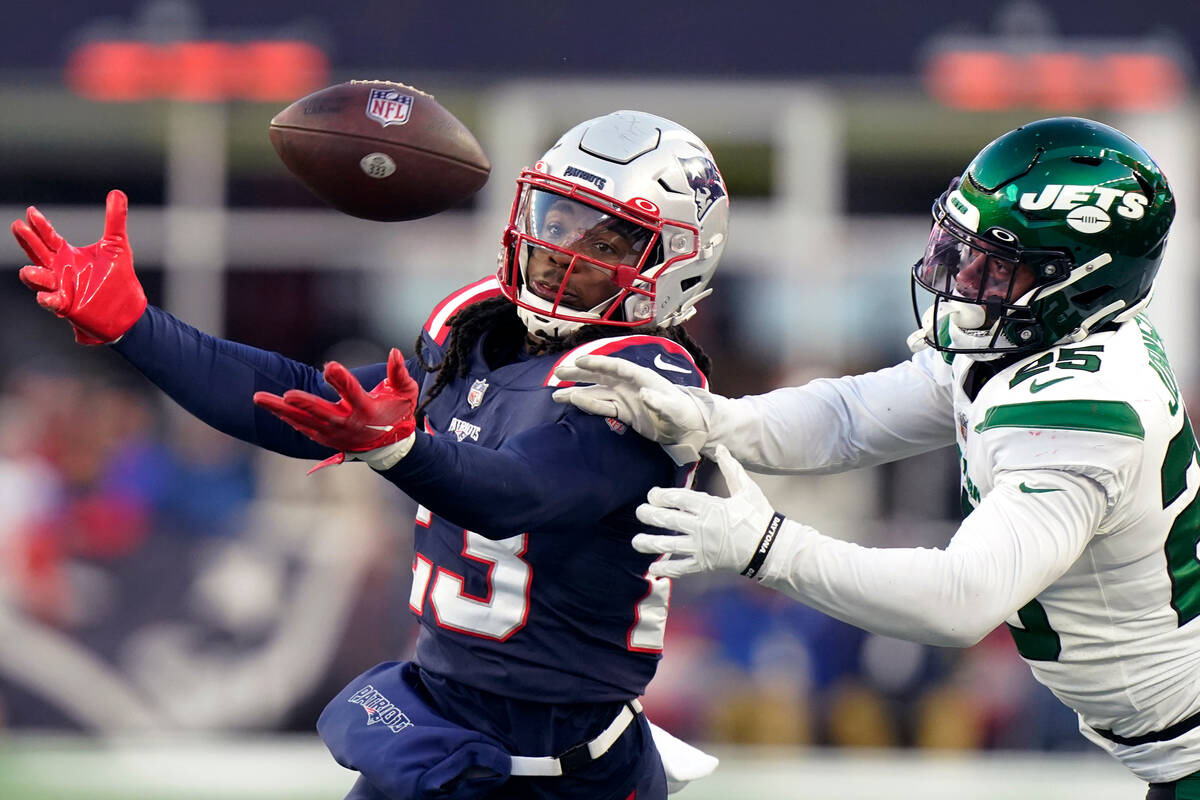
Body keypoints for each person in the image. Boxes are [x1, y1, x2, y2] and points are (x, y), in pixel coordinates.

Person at [10, 109, 729, 800]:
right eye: (558, 218)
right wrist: (135, 326)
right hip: (443, 728)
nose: (561, 250)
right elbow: (301, 404)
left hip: (572, 768)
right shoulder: (478, 330)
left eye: (608, 242)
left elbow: (516, 494)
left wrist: (400, 450)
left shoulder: (651, 383)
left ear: (675, 265)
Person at [553, 116, 1200, 798]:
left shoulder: (1083, 407)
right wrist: (717, 419)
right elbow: (854, 416)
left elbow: (962, 599)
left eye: (999, 264)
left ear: (1080, 281)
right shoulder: (1046, 335)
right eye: (964, 243)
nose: (963, 273)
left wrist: (765, 548)